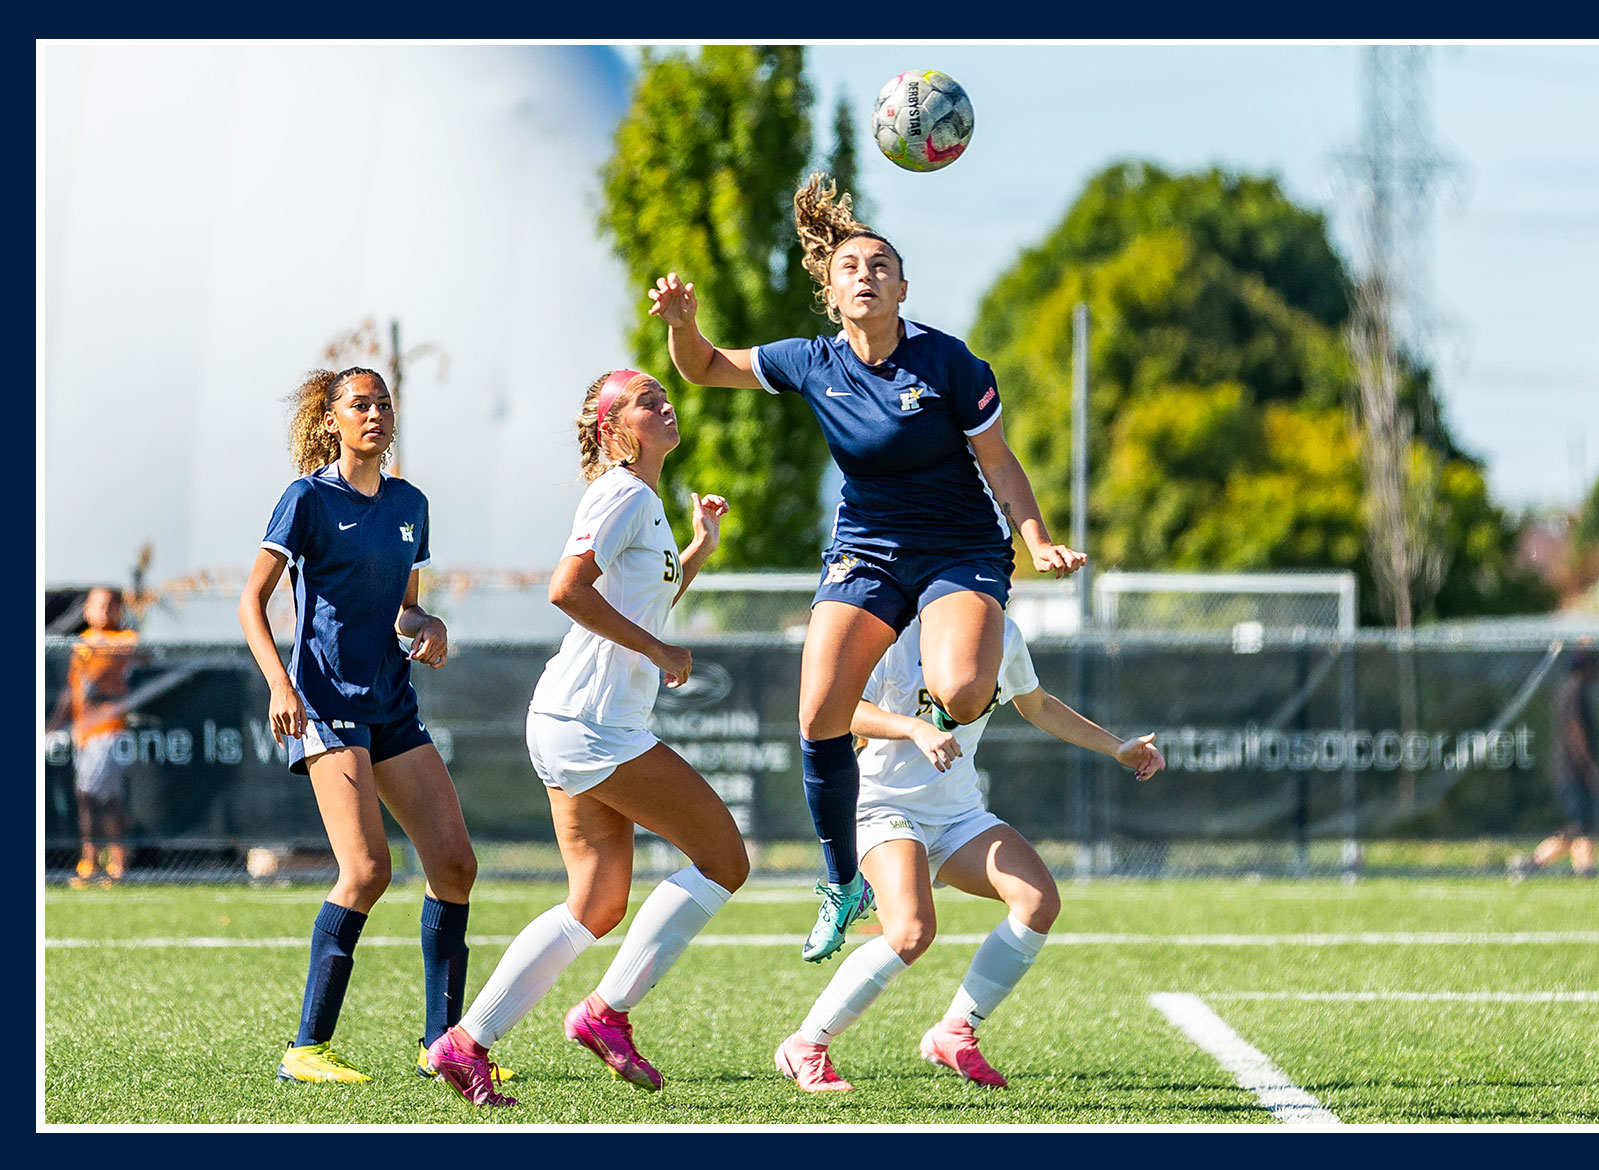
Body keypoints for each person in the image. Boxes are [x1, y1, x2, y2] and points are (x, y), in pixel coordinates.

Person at [649, 174, 1087, 964]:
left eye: (882, 265)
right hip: (869, 551)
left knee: (958, 690)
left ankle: (937, 808)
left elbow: (999, 459)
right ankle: (843, 882)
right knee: (818, 712)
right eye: (851, 265)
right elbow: (704, 367)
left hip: (961, 548)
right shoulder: (811, 362)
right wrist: (684, 323)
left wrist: (1036, 538)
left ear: (903, 287)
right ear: (830, 289)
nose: (867, 273)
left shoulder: (948, 362)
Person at [425, 370, 747, 1108]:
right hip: (591, 724)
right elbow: (566, 589)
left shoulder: (645, 501)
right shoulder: (624, 492)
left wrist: (699, 546)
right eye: (644, 400)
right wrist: (664, 654)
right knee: (725, 857)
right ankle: (605, 1014)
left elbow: (648, 594)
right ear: (611, 429)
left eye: (664, 396)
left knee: (596, 905)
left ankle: (464, 1043)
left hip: (579, 721)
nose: (663, 404)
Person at [773, 612, 1163, 1091]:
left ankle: (954, 1032)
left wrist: (1117, 747)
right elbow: (843, 710)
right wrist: (914, 729)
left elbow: (1038, 705)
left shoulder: (1005, 632)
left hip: (957, 814)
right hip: (882, 805)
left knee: (1038, 901)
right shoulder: (895, 628)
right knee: (912, 932)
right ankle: (806, 1044)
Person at [239, 366, 485, 1086]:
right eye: (359, 404)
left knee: (456, 866)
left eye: (383, 403)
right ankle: (305, 1050)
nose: (374, 413)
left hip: (391, 705)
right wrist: (280, 683)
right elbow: (250, 601)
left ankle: (442, 1046)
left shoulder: (411, 503)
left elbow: (406, 608)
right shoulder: (307, 499)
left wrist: (428, 623)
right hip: (324, 702)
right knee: (368, 870)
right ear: (331, 421)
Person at [53, 587, 140, 887]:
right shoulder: (83, 644)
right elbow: (72, 690)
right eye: (97, 606)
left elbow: (118, 664)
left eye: (110, 606)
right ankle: (90, 861)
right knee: (87, 800)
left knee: (105, 800)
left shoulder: (124, 639)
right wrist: (54, 723)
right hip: (84, 736)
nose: (104, 612)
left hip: (109, 733)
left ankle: (117, 863)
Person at [1512, 649, 1599, 880]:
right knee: (1582, 826)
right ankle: (1582, 869)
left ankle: (1541, 864)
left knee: (1581, 826)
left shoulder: (1573, 691)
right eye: (1594, 665)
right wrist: (1591, 768)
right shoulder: (1574, 692)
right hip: (1572, 772)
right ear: (1584, 667)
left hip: (1572, 772)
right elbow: (1575, 733)